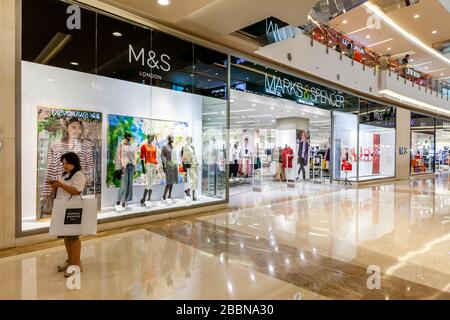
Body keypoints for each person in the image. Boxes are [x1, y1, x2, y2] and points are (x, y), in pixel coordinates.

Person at [41, 117, 94, 217]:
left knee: (73, 214)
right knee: (59, 216)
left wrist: (85, 183)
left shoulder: (86, 145)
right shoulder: (56, 145)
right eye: (73, 127)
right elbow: (51, 168)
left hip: (78, 184)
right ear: (66, 128)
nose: (77, 130)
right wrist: (48, 190)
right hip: (60, 185)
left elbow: (89, 166)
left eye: (79, 127)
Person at [49, 152, 86, 277]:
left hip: (72, 209)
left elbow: (76, 191)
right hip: (62, 209)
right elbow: (62, 190)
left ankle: (76, 264)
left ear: (73, 162)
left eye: (66, 163)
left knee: (73, 238)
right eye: (63, 163)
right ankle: (70, 260)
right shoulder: (65, 174)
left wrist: (60, 185)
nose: (64, 165)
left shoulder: (79, 175)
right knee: (66, 236)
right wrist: (55, 186)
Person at [115, 132, 137, 211]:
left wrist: (135, 168)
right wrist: (119, 168)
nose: (129, 138)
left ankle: (125, 201)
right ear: (125, 137)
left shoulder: (132, 146)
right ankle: (120, 200)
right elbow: (118, 157)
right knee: (123, 185)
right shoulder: (120, 145)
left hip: (131, 166)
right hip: (124, 167)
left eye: (130, 136)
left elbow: (134, 157)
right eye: (127, 136)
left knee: (129, 185)